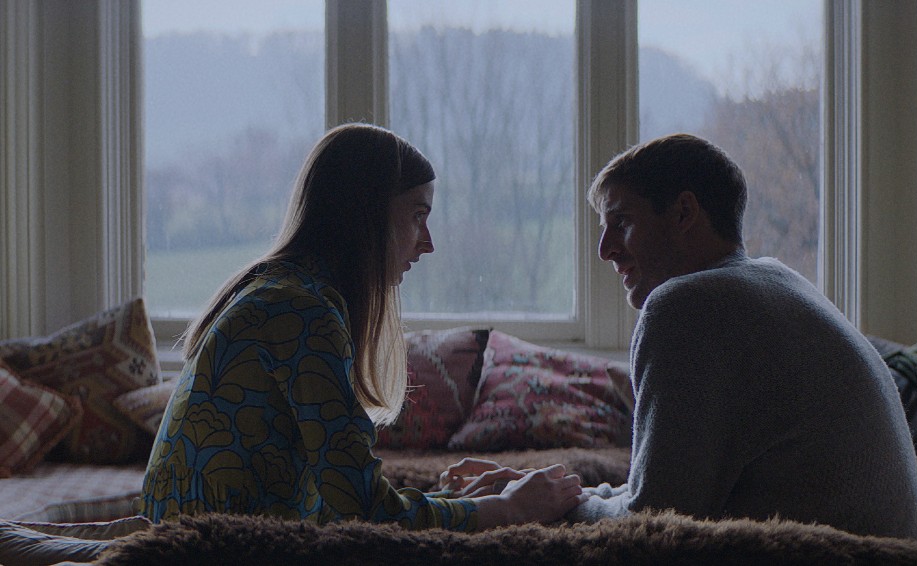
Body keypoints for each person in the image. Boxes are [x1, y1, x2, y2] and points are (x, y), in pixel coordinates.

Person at [139, 123, 586, 530]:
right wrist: (506, 510)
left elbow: (340, 503)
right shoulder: (302, 313)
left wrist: (464, 503)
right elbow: (365, 511)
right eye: (418, 215)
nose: (428, 243)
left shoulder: (282, 294)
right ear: (366, 213)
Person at [567, 133, 917, 542]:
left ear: (684, 213)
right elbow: (661, 494)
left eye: (621, 222)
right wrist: (576, 494)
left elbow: (651, 525)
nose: (604, 250)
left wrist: (558, 508)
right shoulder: (780, 282)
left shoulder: (685, 307)